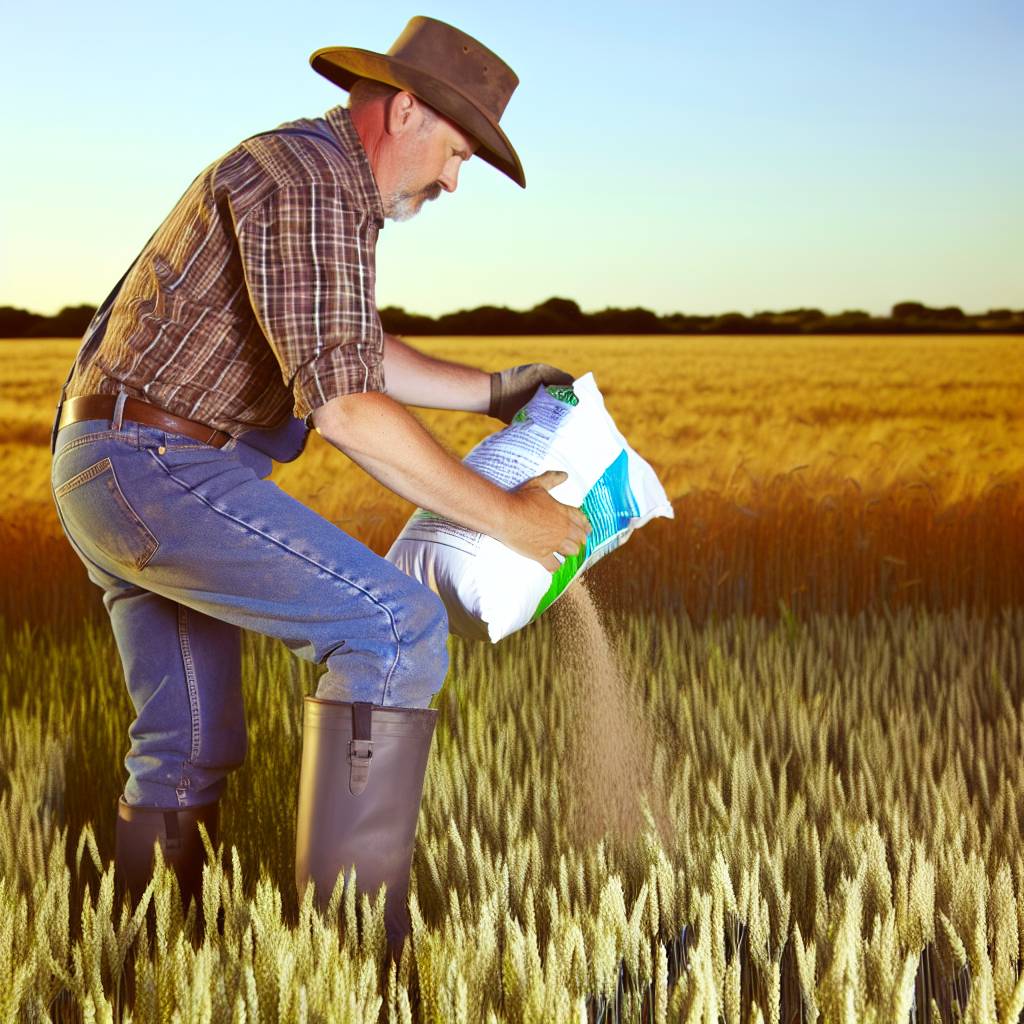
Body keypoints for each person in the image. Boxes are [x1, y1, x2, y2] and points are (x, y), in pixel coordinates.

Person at [48, 16, 589, 959]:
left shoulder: (314, 183)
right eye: (456, 153)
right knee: (393, 627)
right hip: (157, 466)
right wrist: (508, 516)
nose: (453, 182)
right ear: (406, 108)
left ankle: (137, 972)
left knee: (188, 748)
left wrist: (496, 392)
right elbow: (342, 403)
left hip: (118, 468)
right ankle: (352, 968)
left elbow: (356, 347)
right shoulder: (305, 179)